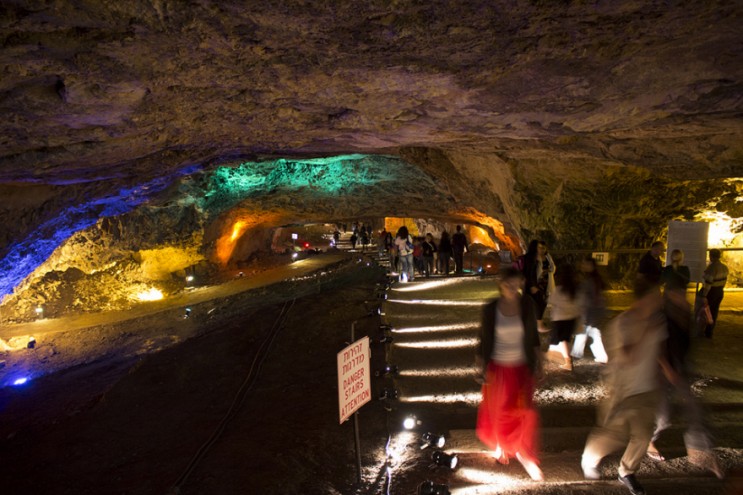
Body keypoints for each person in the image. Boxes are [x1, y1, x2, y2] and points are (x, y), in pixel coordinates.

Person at [581, 276, 670, 495]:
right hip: (622, 389)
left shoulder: (656, 321)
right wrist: (646, 332)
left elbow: (658, 349)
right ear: (644, 299)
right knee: (613, 436)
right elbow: (628, 356)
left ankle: (627, 471)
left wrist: (667, 368)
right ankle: (589, 458)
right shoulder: (623, 323)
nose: (659, 300)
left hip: (647, 388)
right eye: (655, 296)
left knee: (642, 434)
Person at [646, 281, 724, 478]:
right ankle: (648, 439)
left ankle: (700, 452)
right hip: (662, 372)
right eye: (678, 294)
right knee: (663, 417)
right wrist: (667, 368)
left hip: (681, 369)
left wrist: (701, 322)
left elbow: (688, 342)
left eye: (684, 294)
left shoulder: (684, 315)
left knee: (696, 410)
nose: (683, 298)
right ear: (669, 297)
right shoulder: (661, 317)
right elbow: (655, 347)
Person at [476, 267, 544, 481]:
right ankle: (502, 447)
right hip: (498, 369)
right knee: (501, 413)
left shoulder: (527, 305)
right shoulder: (490, 309)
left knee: (526, 413)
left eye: (516, 285)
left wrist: (539, 363)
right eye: (508, 285)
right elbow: (483, 339)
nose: (513, 289)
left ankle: (525, 453)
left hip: (522, 368)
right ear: (501, 284)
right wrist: (480, 366)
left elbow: (533, 337)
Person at [571, 257, 608, 364]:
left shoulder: (591, 280)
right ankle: (577, 353)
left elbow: (592, 298)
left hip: (591, 311)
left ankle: (578, 353)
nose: (583, 266)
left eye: (585, 264)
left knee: (588, 331)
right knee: (591, 332)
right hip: (593, 311)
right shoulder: (594, 278)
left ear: (591, 266)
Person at [547, 264, 581, 371]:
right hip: (572, 318)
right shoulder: (576, 290)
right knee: (566, 339)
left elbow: (551, 301)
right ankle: (564, 358)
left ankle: (568, 362)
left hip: (560, 318)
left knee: (562, 340)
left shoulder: (559, 290)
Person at [523, 240, 556, 333]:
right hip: (536, 284)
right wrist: (532, 285)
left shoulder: (547, 257)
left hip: (546, 283)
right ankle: (539, 325)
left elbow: (553, 268)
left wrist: (549, 270)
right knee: (538, 303)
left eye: (544, 248)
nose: (542, 249)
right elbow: (529, 273)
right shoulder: (532, 258)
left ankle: (535, 323)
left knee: (544, 302)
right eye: (540, 247)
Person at [700, 248, 728, 338]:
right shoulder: (724, 267)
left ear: (711, 256)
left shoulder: (712, 267)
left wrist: (704, 295)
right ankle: (709, 332)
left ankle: (704, 331)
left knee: (706, 311)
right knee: (714, 312)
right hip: (720, 291)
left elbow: (708, 283)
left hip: (711, 292)